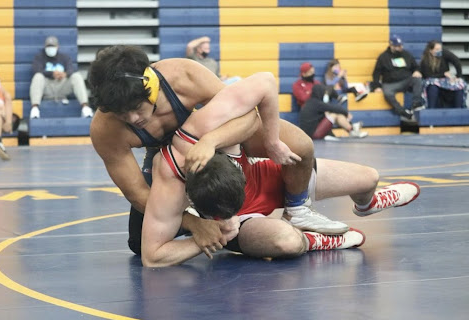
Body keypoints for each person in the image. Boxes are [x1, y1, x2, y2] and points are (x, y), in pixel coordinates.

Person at [87, 45, 345, 257]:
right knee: (138, 242)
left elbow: (248, 118)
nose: (133, 118)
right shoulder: (105, 129)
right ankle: (228, 231)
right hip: (165, 159)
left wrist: (210, 142)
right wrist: (195, 224)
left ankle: (297, 209)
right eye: (122, 114)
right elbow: (137, 193)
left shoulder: (184, 76)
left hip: (215, 138)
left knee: (300, 145)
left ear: (150, 86)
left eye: (136, 107)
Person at [140, 72, 420, 267]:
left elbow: (265, 81)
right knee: (286, 242)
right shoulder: (169, 176)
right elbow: (152, 256)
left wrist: (270, 140)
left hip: (264, 178)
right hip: (239, 223)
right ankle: (313, 240)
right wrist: (206, 235)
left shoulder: (207, 130)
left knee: (369, 177)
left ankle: (366, 203)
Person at [29, 36, 94, 119]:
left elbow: (71, 69)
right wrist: (52, 73)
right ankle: (35, 108)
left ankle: (85, 107)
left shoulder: (64, 57)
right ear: (45, 47)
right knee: (38, 77)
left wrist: (64, 74)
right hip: (47, 86)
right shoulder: (39, 57)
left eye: (52, 46)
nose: (50, 48)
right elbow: (36, 70)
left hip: (62, 86)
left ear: (57, 47)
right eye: (49, 46)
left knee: (76, 76)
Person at [370, 34, 425, 121]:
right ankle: (403, 112)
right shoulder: (383, 57)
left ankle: (416, 104)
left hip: (406, 80)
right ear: (391, 46)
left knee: (417, 80)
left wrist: (417, 71)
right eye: (398, 46)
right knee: (387, 93)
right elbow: (376, 73)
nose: (400, 47)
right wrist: (377, 86)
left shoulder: (406, 54)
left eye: (401, 45)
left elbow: (415, 66)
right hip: (390, 83)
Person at [299, 83, 367, 140]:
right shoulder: (316, 103)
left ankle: (352, 129)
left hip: (309, 135)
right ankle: (352, 130)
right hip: (314, 135)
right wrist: (346, 113)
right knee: (334, 115)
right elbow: (334, 108)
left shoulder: (310, 102)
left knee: (328, 114)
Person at [419, 40, 467, 109]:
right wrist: (443, 74)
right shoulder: (425, 59)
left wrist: (458, 76)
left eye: (440, 49)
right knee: (432, 84)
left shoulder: (444, 53)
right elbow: (427, 75)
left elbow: (456, 61)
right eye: (437, 49)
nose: (439, 51)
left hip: (445, 79)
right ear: (430, 50)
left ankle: (459, 109)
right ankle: (431, 109)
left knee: (460, 84)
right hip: (431, 79)